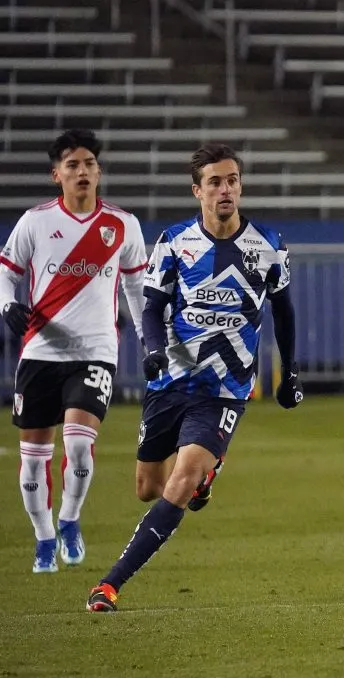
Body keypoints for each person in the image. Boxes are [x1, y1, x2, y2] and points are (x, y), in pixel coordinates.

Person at [86, 143, 303, 612]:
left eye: (232, 180)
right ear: (197, 191)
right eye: (215, 182)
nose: (226, 190)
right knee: (149, 488)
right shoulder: (174, 240)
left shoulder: (269, 245)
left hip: (224, 389)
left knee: (180, 483)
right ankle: (206, 475)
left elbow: (284, 314)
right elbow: (152, 306)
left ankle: (109, 584)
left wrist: (290, 373)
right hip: (171, 381)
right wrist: (153, 351)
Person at [0, 129, 147, 573]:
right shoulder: (35, 222)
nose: (82, 171)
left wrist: (150, 342)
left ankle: (69, 519)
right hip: (40, 353)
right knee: (32, 465)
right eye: (72, 165)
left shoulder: (122, 225)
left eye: (88, 164)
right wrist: (7, 304)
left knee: (79, 447)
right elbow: (6, 273)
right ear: (56, 175)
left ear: (98, 171)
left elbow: (136, 289)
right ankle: (44, 537)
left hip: (95, 352)